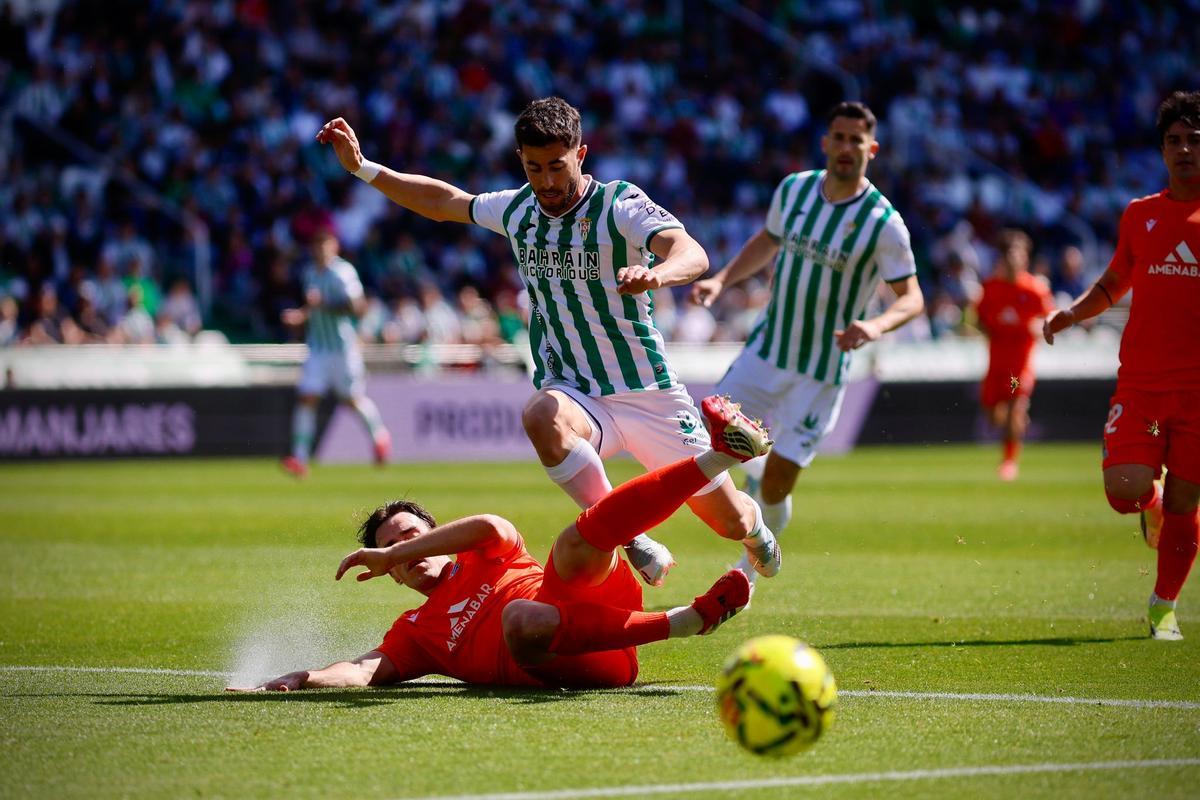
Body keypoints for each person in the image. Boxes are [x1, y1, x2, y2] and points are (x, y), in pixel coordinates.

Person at [315, 97, 779, 586]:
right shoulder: (518, 209)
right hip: (575, 391)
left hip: (647, 390)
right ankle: (631, 538)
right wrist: (363, 168)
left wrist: (657, 275)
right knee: (540, 415)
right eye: (534, 167)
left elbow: (692, 252)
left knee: (728, 520)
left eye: (557, 166)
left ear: (581, 154)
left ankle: (755, 531)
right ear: (521, 159)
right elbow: (442, 202)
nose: (547, 181)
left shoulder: (618, 204)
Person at [231, 395, 766, 691]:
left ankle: (722, 453)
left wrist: (394, 552)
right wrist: (302, 678)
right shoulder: (415, 631)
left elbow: (491, 525)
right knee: (521, 619)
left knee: (574, 543)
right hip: (581, 660)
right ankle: (687, 621)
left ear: (435, 538)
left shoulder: (481, 551)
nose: (407, 549)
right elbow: (365, 670)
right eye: (394, 547)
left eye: (413, 536)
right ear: (391, 578)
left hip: (600, 603)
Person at [690, 101, 924, 574]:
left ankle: (751, 564)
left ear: (872, 150)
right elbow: (767, 240)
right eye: (839, 137)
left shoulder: (884, 222)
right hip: (767, 350)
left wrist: (874, 326)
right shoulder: (794, 189)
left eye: (856, 140)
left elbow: (913, 297)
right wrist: (723, 280)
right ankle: (754, 478)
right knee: (703, 432)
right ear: (825, 142)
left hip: (821, 371)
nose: (846, 147)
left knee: (778, 485)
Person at [1043, 90, 1200, 641]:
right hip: (1142, 383)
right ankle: (1148, 504)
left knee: (1187, 500)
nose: (1185, 150)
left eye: (1195, 140)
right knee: (1125, 489)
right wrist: (1072, 313)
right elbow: (1115, 280)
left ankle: (1164, 607)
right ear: (1162, 150)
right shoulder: (1141, 214)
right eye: (1175, 140)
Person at [280, 228, 391, 477]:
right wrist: (301, 316)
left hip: (342, 348)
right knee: (307, 397)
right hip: (317, 348)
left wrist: (324, 305)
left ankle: (380, 437)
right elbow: (313, 306)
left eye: (325, 245)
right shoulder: (310, 272)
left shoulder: (343, 272)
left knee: (352, 400)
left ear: (334, 247)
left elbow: (357, 307)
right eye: (317, 245)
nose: (321, 250)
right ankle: (299, 457)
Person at [975, 229, 1055, 481]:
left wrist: (1038, 327)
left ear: (1026, 258)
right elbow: (980, 320)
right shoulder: (990, 288)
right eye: (1010, 254)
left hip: (1019, 366)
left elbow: (1049, 320)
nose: (1014, 260)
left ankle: (1009, 462)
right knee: (991, 413)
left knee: (1014, 407)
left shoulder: (1035, 290)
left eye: (1019, 254)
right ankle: (1018, 423)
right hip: (996, 364)